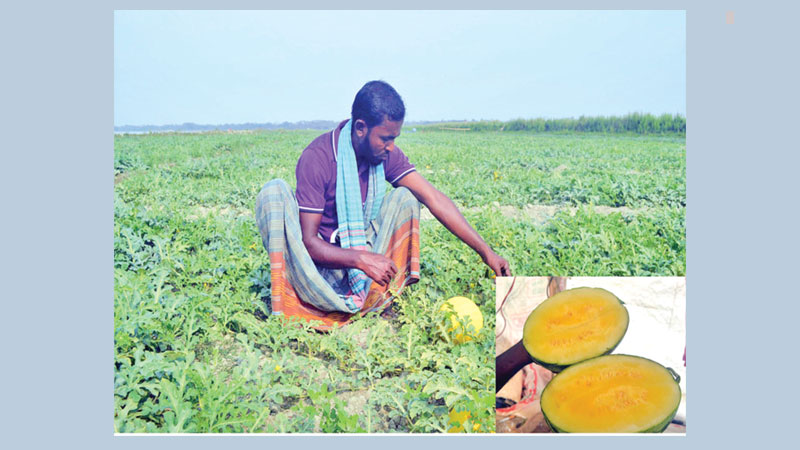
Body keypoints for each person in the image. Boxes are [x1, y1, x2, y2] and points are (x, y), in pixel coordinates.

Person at [255, 80, 510, 329]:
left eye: (394, 138)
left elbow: (433, 198)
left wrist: (486, 251)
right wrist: (362, 260)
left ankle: (377, 297)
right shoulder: (318, 158)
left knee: (406, 198)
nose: (391, 147)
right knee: (273, 192)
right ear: (360, 128)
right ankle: (292, 305)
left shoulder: (384, 155)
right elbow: (309, 243)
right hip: (318, 269)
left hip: (360, 259)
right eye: (385, 138)